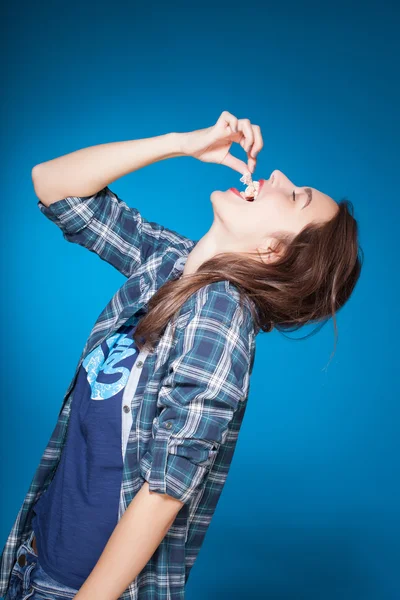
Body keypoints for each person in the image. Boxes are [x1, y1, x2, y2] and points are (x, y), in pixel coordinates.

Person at [0, 111, 363, 600]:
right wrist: (181, 143)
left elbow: (164, 491)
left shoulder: (222, 314)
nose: (278, 176)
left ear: (273, 251)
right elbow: (52, 186)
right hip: (35, 562)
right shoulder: (169, 264)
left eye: (295, 196)